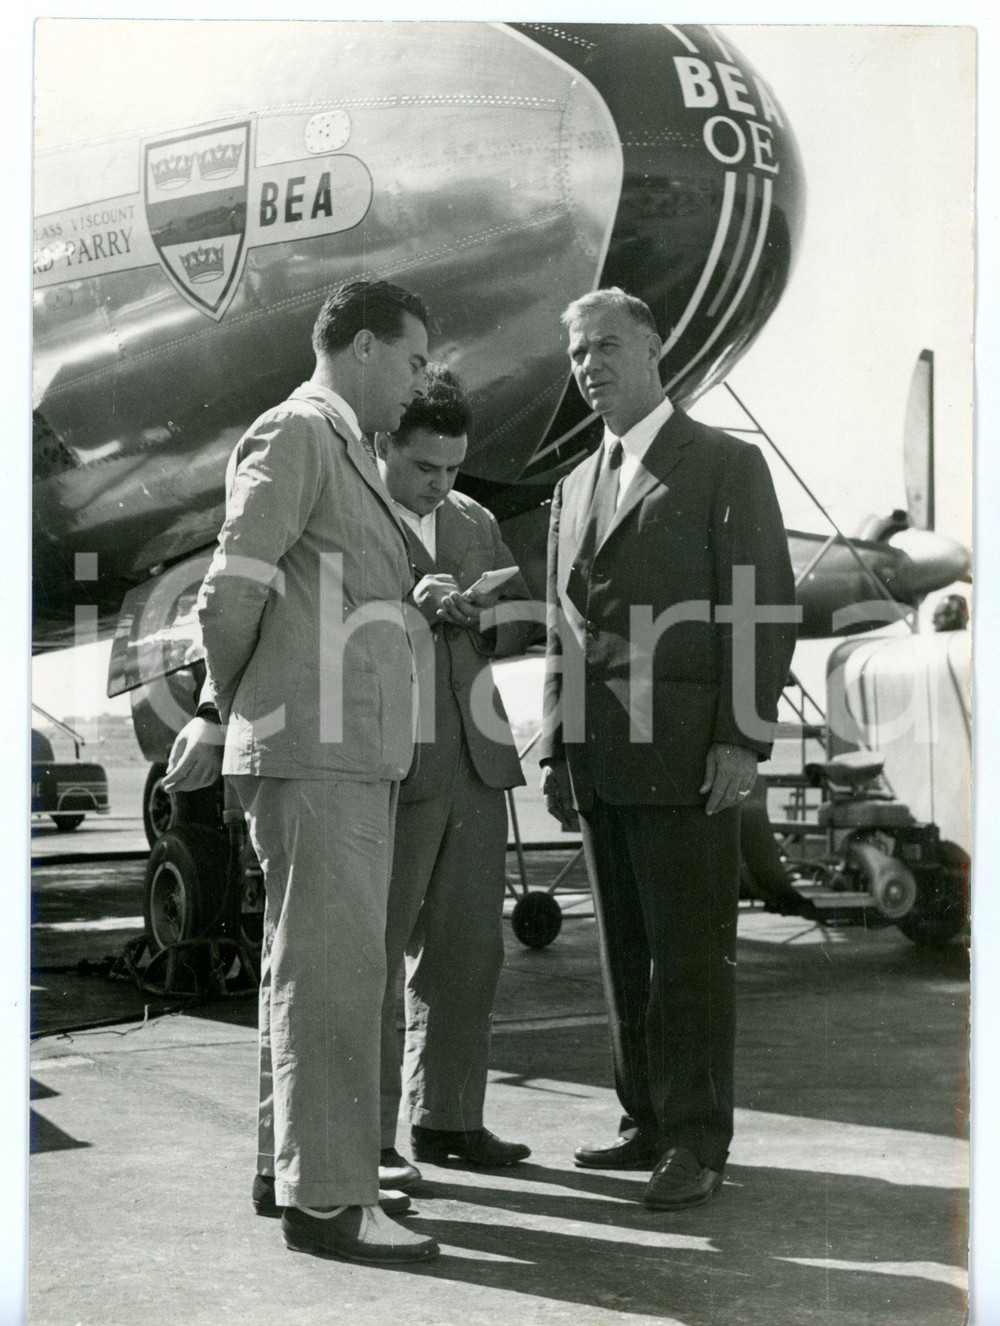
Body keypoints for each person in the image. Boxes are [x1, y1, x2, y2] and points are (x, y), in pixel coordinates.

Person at [164, 278, 439, 1265]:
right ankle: (330, 1201)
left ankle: (287, 1176)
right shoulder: (296, 435)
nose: (417, 386)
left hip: (338, 749)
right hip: (315, 749)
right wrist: (222, 704)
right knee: (331, 977)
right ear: (362, 347)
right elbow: (230, 594)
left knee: (306, 967)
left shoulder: (341, 448)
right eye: (411, 362)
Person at [539, 288, 797, 1210]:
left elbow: (763, 608)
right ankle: (643, 1121)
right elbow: (562, 630)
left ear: (654, 351)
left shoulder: (725, 464)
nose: (591, 367)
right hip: (602, 760)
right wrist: (556, 747)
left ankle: (696, 1141)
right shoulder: (573, 485)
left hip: (691, 757)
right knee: (625, 954)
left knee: (690, 956)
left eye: (607, 347)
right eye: (577, 355)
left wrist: (741, 738)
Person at [372, 366, 538, 1189]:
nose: (440, 486)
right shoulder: (356, 517)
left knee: (468, 955)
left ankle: (447, 1118)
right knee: (371, 956)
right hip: (392, 766)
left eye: (452, 470)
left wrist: (485, 615)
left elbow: (521, 619)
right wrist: (412, 604)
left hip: (475, 762)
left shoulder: (473, 520)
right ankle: (364, 1139)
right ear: (384, 448)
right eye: (424, 468)